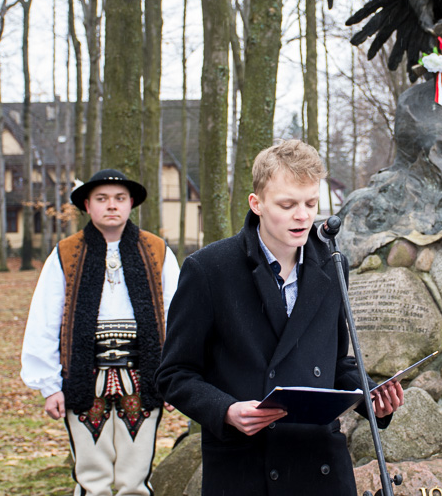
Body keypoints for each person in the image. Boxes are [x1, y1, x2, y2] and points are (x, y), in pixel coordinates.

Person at [156, 140, 404, 496]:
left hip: (322, 469)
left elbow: (334, 362)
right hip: (245, 471)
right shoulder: (208, 269)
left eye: (310, 203)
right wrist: (226, 410)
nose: (302, 216)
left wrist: (371, 396)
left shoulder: (333, 263)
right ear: (256, 203)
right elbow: (174, 374)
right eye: (287, 205)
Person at [20, 169, 180, 496]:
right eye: (102, 199)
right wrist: (49, 385)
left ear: (131, 203)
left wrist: (174, 378)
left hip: (143, 376)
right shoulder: (65, 254)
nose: (111, 205)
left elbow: (177, 317)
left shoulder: (157, 251)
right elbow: (45, 320)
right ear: (87, 205)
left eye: (119, 198)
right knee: (92, 478)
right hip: (83, 376)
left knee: (134, 477)